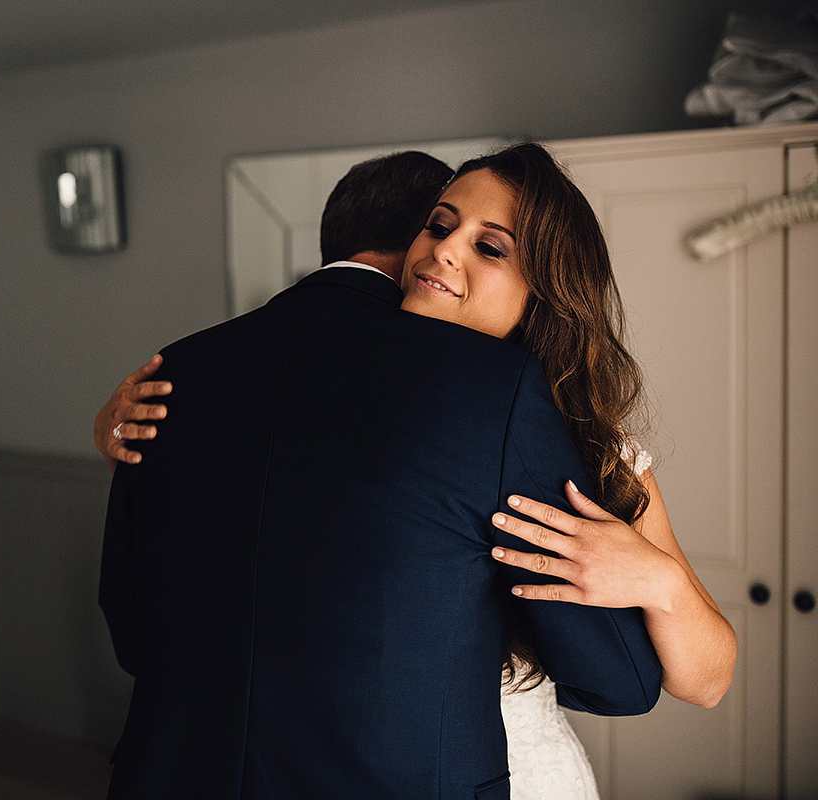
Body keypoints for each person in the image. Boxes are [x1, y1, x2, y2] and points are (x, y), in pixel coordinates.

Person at [97, 143, 737, 799]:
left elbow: (684, 681)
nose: (443, 250)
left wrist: (661, 581)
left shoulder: (595, 449)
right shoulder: (354, 396)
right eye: (438, 225)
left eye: (491, 248)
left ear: (545, 293)